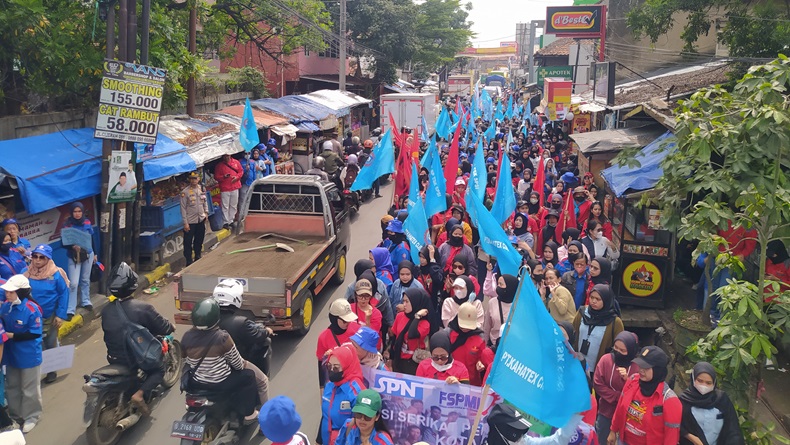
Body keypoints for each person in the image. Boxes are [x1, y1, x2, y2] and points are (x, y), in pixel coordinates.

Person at [101, 263, 175, 415]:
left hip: (114, 357)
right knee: (159, 369)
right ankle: (139, 394)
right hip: (136, 358)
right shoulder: (143, 308)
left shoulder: (106, 310)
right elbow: (163, 328)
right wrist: (171, 327)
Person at [181, 298, 260, 422]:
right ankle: (249, 414)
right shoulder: (222, 337)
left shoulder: (186, 337)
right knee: (249, 376)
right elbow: (238, 365)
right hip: (220, 383)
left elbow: (186, 358)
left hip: (197, 382)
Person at [608, 346, 681, 445]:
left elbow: (671, 436)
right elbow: (620, 408)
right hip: (624, 441)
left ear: (657, 370)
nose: (641, 370)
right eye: (640, 366)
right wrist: (613, 430)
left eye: (646, 368)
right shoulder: (632, 380)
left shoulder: (669, 400)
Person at [214, 281, 271, 403]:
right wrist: (266, 331)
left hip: (209, 370)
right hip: (231, 366)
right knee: (263, 382)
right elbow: (258, 335)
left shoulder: (206, 323)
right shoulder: (240, 323)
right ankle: (263, 413)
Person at [0, 276, 43, 433]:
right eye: (7, 292)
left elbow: (34, 333)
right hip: (11, 355)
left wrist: (11, 336)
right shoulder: (5, 307)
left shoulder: (32, 309)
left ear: (21, 292)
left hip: (28, 355)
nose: (7, 295)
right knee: (12, 387)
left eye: (11, 292)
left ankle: (32, 416)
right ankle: (16, 416)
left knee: (29, 388)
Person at [24, 245, 69, 384]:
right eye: (35, 256)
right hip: (31, 316)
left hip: (49, 315)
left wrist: (60, 315)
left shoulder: (56, 274)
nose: (37, 260)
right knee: (35, 344)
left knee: (49, 342)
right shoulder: (25, 273)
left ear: (48, 259)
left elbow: (63, 294)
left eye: (41, 257)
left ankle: (51, 371)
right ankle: (35, 372)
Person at [678, 362, 743, 445]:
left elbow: (732, 429)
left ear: (714, 383)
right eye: (700, 381)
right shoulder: (684, 401)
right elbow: (677, 426)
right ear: (693, 379)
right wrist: (691, 438)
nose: (703, 385)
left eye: (708, 383)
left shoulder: (722, 400)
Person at [593, 331, 640, 445]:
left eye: (623, 351)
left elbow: (639, 392)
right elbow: (598, 383)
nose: (618, 352)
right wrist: (619, 397)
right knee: (601, 438)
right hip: (606, 409)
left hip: (629, 414)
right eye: (616, 348)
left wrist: (627, 380)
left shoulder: (637, 367)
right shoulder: (606, 360)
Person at [572, 284, 624, 376]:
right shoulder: (582, 312)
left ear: (606, 300)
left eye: (598, 299)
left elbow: (619, 346)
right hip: (578, 365)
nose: (594, 301)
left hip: (599, 370)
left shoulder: (615, 322)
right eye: (592, 297)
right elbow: (573, 333)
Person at [320, 345, 366, 445]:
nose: (331, 370)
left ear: (346, 366)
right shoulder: (329, 386)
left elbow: (363, 425)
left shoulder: (356, 391)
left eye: (336, 368)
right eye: (329, 366)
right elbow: (325, 416)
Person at [388, 288, 437, 375]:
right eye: (403, 301)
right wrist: (391, 358)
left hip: (413, 362)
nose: (404, 304)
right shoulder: (400, 316)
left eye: (407, 302)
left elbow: (412, 334)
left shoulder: (424, 323)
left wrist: (417, 317)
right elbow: (395, 338)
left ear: (415, 302)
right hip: (398, 358)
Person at [316, 299, 361, 388]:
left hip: (355, 381)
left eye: (349, 320)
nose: (348, 323)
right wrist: (322, 389)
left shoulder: (357, 329)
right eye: (344, 320)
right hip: (336, 385)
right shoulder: (323, 337)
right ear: (334, 319)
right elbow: (321, 367)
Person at [448, 303, 495, 386]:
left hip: (472, 382)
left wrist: (480, 363)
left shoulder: (480, 338)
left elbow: (482, 357)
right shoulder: (448, 335)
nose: (466, 329)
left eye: (468, 326)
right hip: (451, 380)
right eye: (463, 326)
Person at [61, 202, 92, 318]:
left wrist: (95, 254)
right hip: (73, 256)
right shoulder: (67, 225)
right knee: (73, 283)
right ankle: (71, 308)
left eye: (79, 211)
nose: (77, 214)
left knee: (85, 279)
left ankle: (86, 301)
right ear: (71, 212)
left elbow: (91, 238)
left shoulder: (87, 222)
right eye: (75, 211)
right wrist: (72, 246)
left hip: (88, 254)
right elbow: (63, 243)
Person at [180, 171, 209, 266]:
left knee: (199, 239)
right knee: (188, 242)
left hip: (200, 219)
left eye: (195, 179)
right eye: (192, 179)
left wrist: (206, 212)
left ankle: (197, 256)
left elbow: (205, 201)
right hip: (190, 221)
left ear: (198, 179)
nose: (193, 181)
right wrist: (185, 223)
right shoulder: (185, 192)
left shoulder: (201, 189)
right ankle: (188, 260)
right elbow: (183, 208)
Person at [483, 273, 518, 348]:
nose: (498, 286)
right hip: (494, 345)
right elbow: (487, 326)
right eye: (498, 284)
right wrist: (484, 345)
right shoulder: (492, 302)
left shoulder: (518, 305)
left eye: (501, 284)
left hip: (512, 347)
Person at [214, 153, 243, 229]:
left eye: (228, 156)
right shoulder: (219, 166)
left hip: (235, 186)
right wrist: (223, 177)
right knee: (225, 206)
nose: (227, 157)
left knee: (233, 205)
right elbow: (216, 177)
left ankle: (231, 220)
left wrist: (236, 177)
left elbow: (241, 172)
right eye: (225, 156)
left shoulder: (236, 162)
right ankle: (225, 222)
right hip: (225, 188)